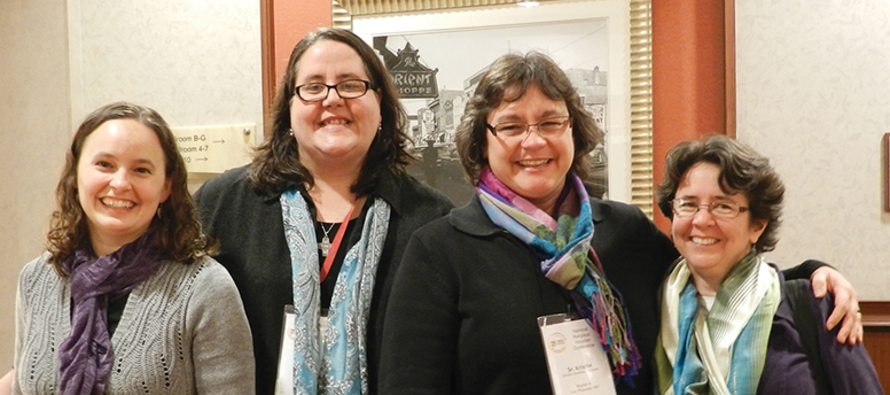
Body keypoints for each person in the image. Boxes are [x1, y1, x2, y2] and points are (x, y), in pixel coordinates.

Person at [378, 52, 863, 395]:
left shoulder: (625, 231)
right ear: (482, 142)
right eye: (510, 125)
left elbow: (716, 269)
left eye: (551, 122)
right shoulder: (439, 250)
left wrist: (813, 275)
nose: (534, 141)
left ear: (574, 131)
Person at [193, 28, 453, 395]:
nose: (332, 99)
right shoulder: (221, 204)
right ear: (289, 107)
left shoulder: (431, 218)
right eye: (313, 87)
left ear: (379, 102)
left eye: (350, 85)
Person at [10, 102, 255, 394]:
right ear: (76, 174)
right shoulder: (36, 279)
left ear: (166, 186)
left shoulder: (204, 288)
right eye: (104, 164)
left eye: (141, 169)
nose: (120, 183)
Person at [653, 135, 883, 394]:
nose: (702, 220)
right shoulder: (653, 305)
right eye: (688, 204)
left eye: (723, 206)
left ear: (758, 225)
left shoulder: (814, 305)